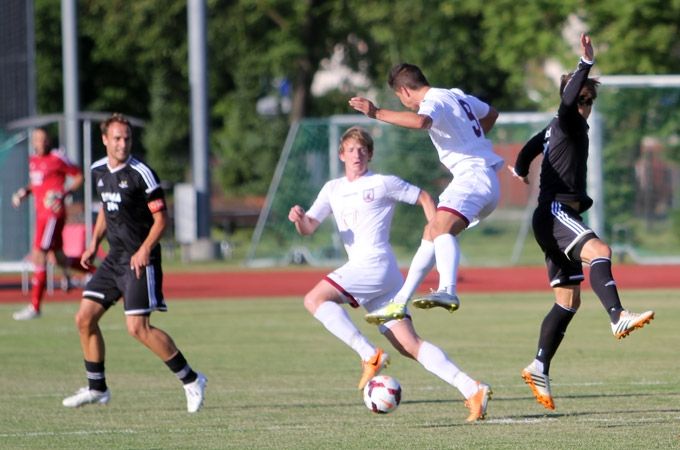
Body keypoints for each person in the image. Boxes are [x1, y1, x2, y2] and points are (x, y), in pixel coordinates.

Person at [289, 126, 491, 422]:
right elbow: (309, 227)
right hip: (383, 277)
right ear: (341, 154)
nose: (356, 154)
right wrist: (298, 219)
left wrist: (435, 233)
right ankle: (472, 388)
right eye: (351, 150)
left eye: (362, 150)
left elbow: (423, 196)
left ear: (369, 154)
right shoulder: (332, 189)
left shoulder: (383, 183)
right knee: (410, 345)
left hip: (375, 264)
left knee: (314, 300)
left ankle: (369, 354)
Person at [509, 34, 654, 411]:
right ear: (571, 97)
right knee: (600, 250)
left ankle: (538, 366)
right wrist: (584, 64)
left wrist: (521, 168)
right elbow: (567, 101)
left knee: (568, 301)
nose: (586, 105)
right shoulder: (566, 119)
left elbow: (528, 148)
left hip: (557, 214)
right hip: (557, 211)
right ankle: (617, 316)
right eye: (582, 98)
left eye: (591, 100)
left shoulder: (555, 129)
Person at [61, 113, 207, 413]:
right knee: (84, 319)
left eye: (127, 138)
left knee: (137, 328)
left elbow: (161, 219)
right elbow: (106, 207)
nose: (122, 143)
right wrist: (93, 243)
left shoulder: (143, 173)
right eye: (117, 138)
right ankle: (97, 388)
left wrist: (143, 250)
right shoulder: (98, 170)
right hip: (113, 258)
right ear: (105, 140)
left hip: (141, 260)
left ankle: (191, 379)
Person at [349, 63, 503, 324]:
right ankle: (399, 302)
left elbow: (422, 121)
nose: (404, 102)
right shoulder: (455, 94)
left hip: (473, 176)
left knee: (441, 228)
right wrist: (470, 141)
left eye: (399, 97)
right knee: (432, 231)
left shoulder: (434, 100)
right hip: (482, 178)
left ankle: (448, 291)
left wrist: (376, 112)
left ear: (405, 91)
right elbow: (492, 113)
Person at [10, 128, 93, 320]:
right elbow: (36, 184)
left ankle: (35, 306)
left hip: (52, 215)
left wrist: (63, 192)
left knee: (39, 256)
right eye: (38, 139)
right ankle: (98, 273)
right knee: (59, 258)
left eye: (45, 139)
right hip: (41, 215)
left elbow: (79, 176)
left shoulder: (57, 158)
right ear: (33, 142)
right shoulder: (33, 161)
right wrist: (23, 193)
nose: (42, 143)